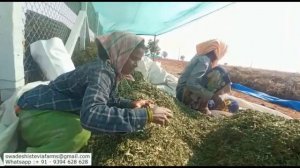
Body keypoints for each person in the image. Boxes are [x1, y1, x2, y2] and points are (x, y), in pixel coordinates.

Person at [15, 31, 173, 152]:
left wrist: (132, 104)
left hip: (44, 110)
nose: (136, 65)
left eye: (138, 60)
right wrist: (146, 115)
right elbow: (91, 115)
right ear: (120, 54)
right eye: (134, 58)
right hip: (35, 113)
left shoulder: (109, 70)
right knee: (80, 133)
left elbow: (107, 100)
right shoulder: (101, 73)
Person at [176, 39, 235, 114]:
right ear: (218, 51)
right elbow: (191, 83)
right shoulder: (204, 61)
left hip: (183, 92)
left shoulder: (204, 59)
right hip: (183, 95)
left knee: (222, 104)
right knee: (220, 72)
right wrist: (212, 96)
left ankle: (204, 104)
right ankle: (203, 107)